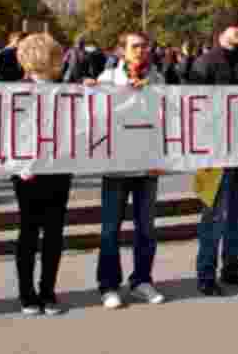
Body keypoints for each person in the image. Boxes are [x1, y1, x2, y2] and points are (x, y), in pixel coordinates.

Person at [85, 32, 167, 309]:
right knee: (111, 229)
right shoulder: (108, 79)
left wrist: (161, 157)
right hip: (117, 164)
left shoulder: (157, 79)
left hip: (146, 163)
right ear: (122, 51)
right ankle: (108, 284)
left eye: (145, 46)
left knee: (146, 228)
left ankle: (142, 280)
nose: (142, 51)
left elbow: (164, 118)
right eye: (135, 47)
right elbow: (97, 116)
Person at [187, 9, 238, 295]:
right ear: (222, 29)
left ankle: (232, 267)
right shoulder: (204, 63)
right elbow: (193, 107)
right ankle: (206, 274)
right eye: (236, 25)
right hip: (212, 154)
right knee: (212, 214)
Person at [11, 34, 73, 316]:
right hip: (28, 171)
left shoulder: (66, 91)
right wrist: (18, 164)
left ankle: (47, 291)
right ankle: (27, 293)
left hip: (58, 169)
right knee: (29, 231)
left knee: (53, 233)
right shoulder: (16, 91)